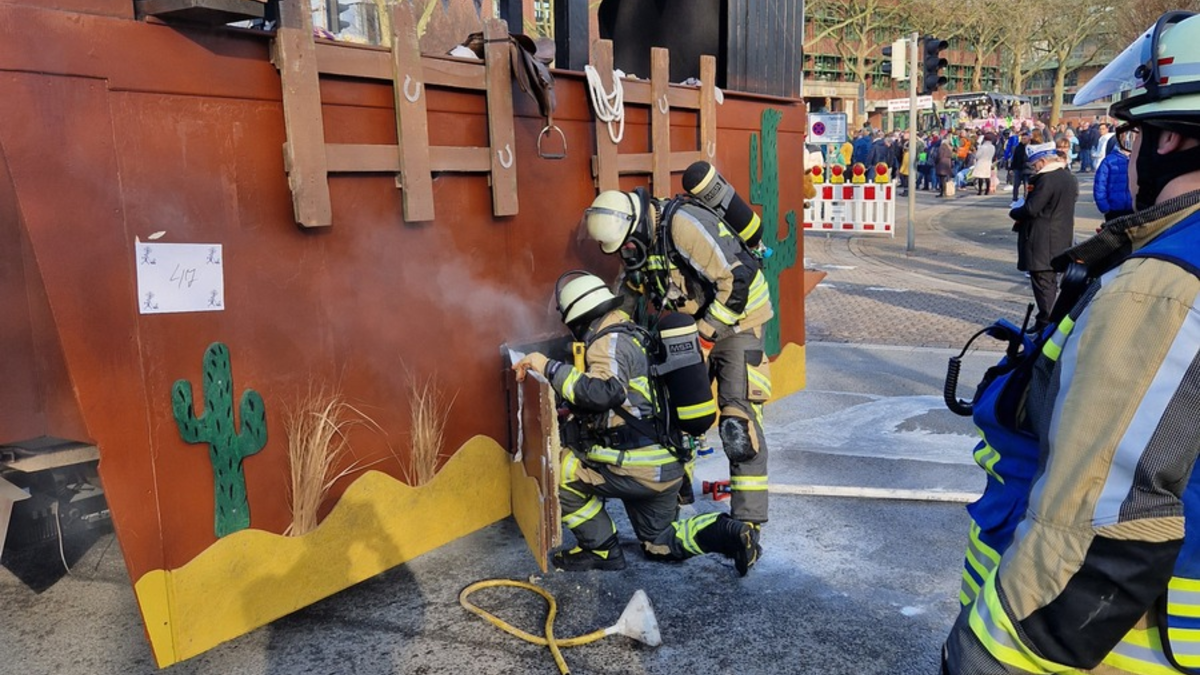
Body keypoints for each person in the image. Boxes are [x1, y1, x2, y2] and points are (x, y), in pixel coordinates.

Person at [943, 11, 1200, 674]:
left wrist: (987, 658)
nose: (1126, 153)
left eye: (1131, 133)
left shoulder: (1163, 285)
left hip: (1109, 642)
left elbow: (1100, 523)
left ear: (1172, 137)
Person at [513, 271, 759, 575]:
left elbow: (605, 391)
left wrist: (547, 366)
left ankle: (601, 549)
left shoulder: (608, 342)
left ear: (580, 319)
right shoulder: (637, 335)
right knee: (661, 542)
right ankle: (731, 533)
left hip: (636, 469)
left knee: (560, 472)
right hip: (667, 468)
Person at [582, 188, 774, 533]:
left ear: (635, 223)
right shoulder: (639, 243)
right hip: (690, 329)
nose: (626, 253)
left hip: (739, 321)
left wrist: (703, 335)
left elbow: (739, 277)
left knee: (737, 425)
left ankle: (747, 525)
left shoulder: (683, 225)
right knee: (677, 414)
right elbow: (628, 293)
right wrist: (603, 336)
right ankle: (672, 502)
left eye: (627, 245)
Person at [1008, 139, 1078, 332]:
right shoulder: (1068, 177)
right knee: (1050, 281)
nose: (1034, 168)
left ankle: (1047, 323)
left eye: (1035, 163)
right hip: (1060, 235)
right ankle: (1043, 319)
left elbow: (1032, 209)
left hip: (1042, 239)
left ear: (1043, 160)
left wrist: (1015, 211)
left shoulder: (1046, 180)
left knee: (1043, 282)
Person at [1093, 134, 1134, 220]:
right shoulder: (1109, 161)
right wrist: (1104, 207)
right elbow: (1100, 186)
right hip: (1114, 209)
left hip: (1133, 209)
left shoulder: (1137, 159)